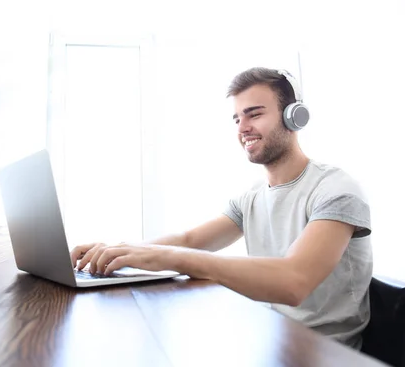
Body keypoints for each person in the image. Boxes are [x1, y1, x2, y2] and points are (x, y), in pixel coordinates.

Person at [69, 67, 373, 350]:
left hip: (324, 354)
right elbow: (190, 240)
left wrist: (174, 259)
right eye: (237, 119)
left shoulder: (336, 190)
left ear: (294, 117)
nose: (243, 128)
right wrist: (120, 250)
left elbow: (293, 282)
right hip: (271, 342)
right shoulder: (253, 197)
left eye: (254, 114)